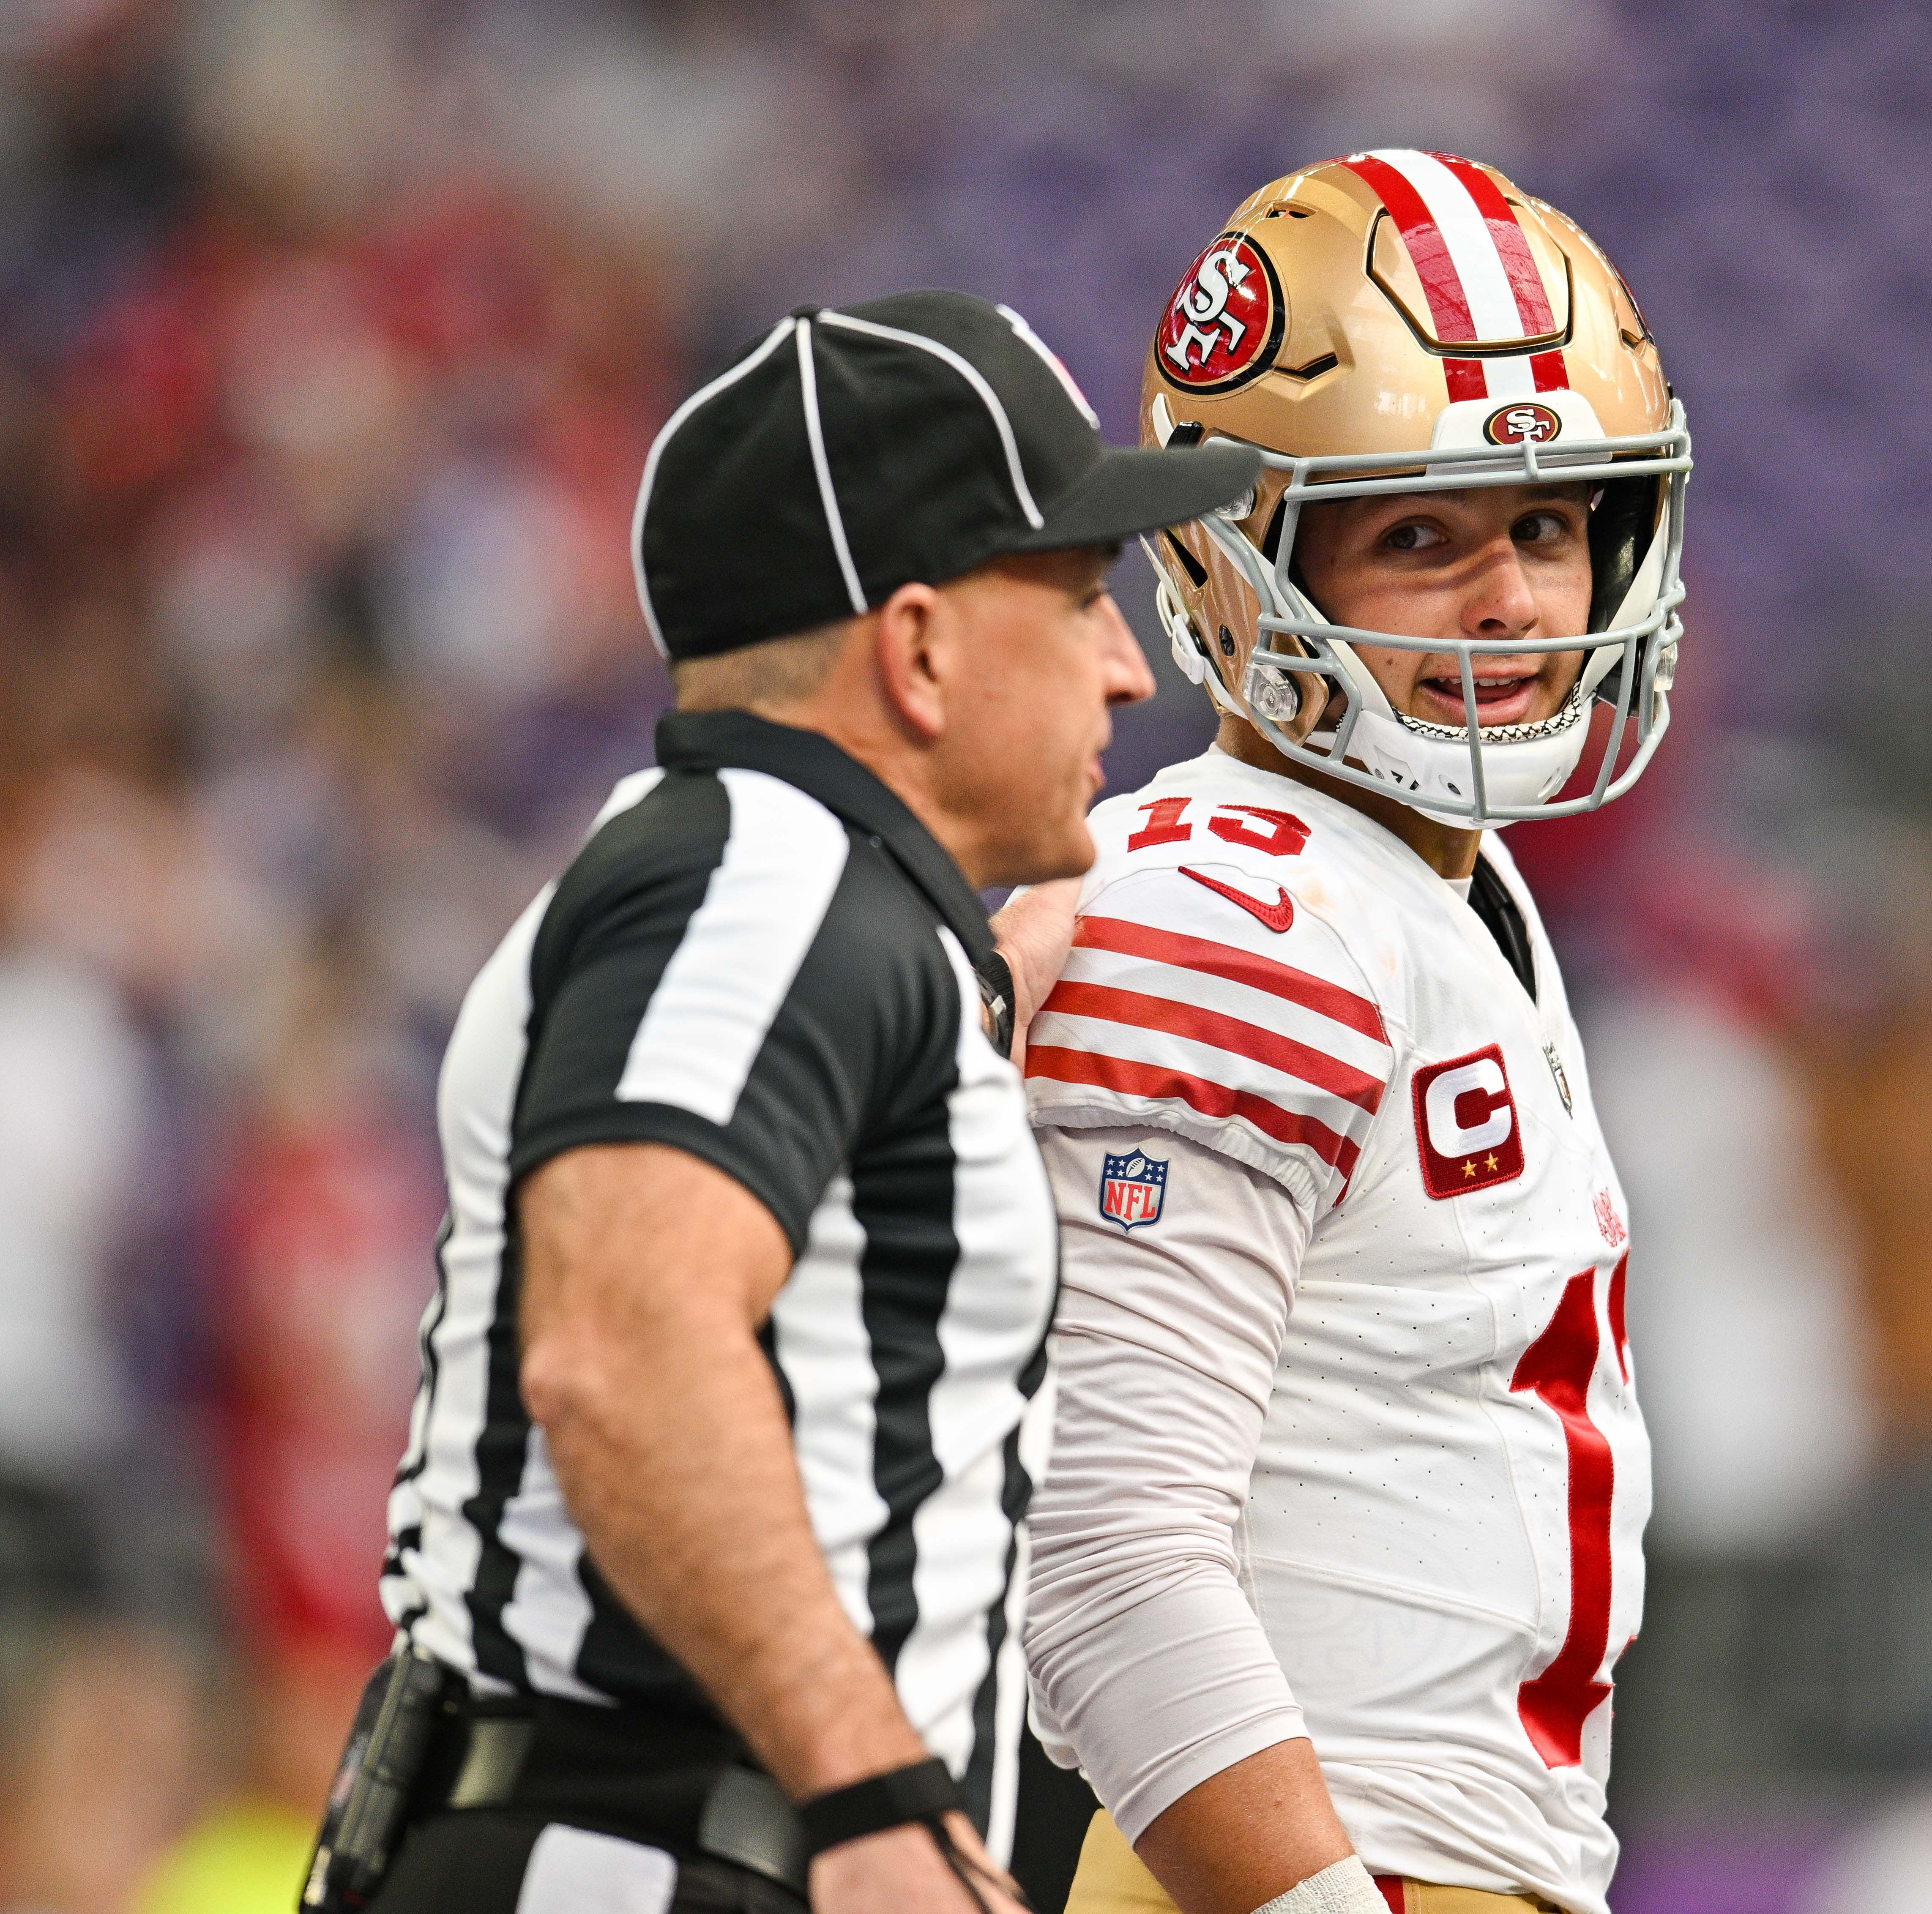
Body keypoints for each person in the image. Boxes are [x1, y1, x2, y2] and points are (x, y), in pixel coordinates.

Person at [352, 290, 1261, 1914]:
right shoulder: (756, 874)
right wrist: (872, 1800)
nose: (1128, 668)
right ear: (915, 648)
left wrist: (986, 989)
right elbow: (622, 1345)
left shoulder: (788, 892)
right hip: (652, 1855)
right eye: (1073, 598)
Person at [1006, 151, 1690, 1914]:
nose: (1516, 602)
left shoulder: (1435, 884)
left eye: (1545, 525)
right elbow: (1106, 1560)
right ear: (1236, 565)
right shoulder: (1234, 909)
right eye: (1419, 535)